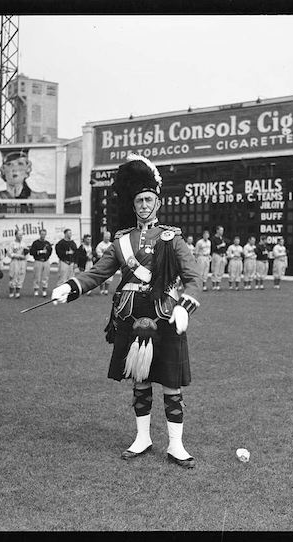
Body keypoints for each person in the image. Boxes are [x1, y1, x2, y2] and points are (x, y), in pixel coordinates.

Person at [51, 154, 202, 469]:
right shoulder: (122, 242)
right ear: (133, 206)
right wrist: (72, 287)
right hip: (132, 317)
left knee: (171, 382)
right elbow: (97, 274)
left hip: (166, 316)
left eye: (149, 199)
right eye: (139, 200)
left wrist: (185, 306)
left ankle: (176, 444)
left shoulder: (171, 238)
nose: (144, 205)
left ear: (157, 202)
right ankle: (142, 438)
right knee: (140, 379)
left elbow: (194, 278)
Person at [30, 228, 52, 297]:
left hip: (45, 261)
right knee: (37, 276)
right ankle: (36, 290)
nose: (43, 235)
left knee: (45, 276)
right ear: (40, 234)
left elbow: (50, 252)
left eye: (44, 234)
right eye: (42, 234)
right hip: (38, 261)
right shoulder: (35, 243)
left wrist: (46, 254)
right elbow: (31, 252)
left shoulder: (47, 243)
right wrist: (39, 252)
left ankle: (44, 290)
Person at [7, 230, 28, 298]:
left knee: (21, 275)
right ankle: (11, 292)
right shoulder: (12, 244)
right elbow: (9, 254)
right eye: (19, 235)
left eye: (21, 235)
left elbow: (27, 253)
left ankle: (18, 293)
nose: (21, 236)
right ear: (15, 235)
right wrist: (18, 256)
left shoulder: (24, 243)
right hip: (15, 261)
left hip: (22, 262)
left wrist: (25, 255)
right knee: (13, 276)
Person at [95, 230, 114, 295]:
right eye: (106, 237)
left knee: (109, 277)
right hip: (102, 262)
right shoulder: (100, 245)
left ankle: (106, 290)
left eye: (109, 237)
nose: (107, 238)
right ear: (103, 237)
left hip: (110, 263)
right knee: (101, 276)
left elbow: (114, 253)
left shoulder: (111, 244)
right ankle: (101, 290)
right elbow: (98, 253)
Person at [210, 225, 228, 291]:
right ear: (217, 230)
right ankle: (214, 285)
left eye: (222, 230)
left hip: (223, 256)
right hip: (216, 255)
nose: (222, 232)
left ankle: (218, 285)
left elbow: (226, 246)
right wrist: (220, 245)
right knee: (215, 270)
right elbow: (213, 248)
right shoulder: (213, 238)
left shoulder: (222, 238)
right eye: (220, 230)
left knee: (221, 271)